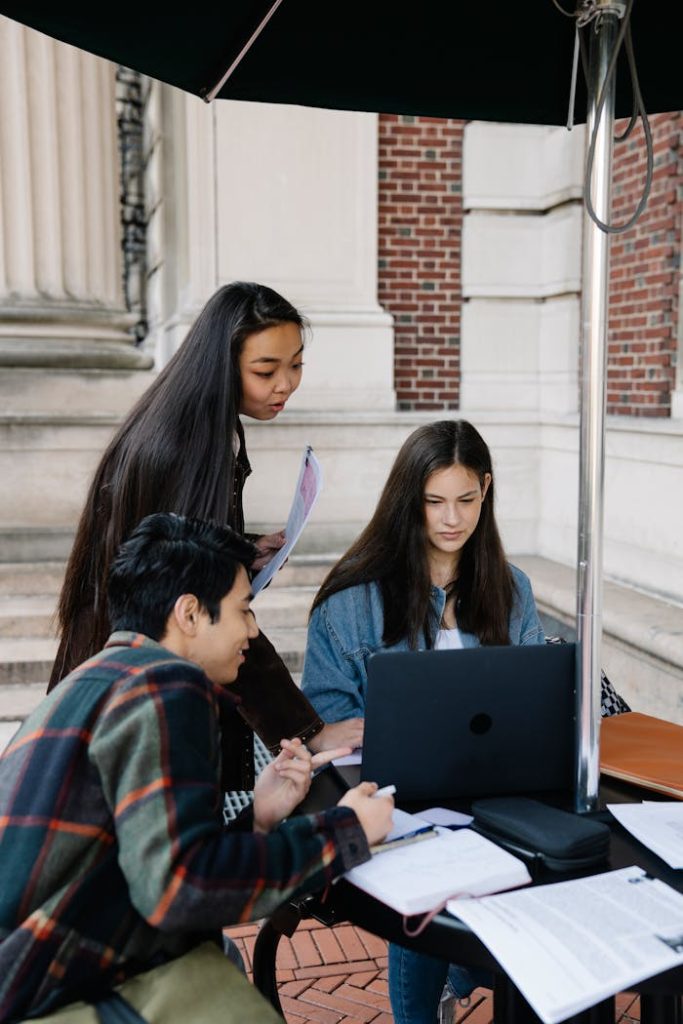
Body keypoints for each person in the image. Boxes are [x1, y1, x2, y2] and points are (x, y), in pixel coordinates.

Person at [0, 513, 394, 1023]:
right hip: (49, 993)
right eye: (243, 610)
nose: (251, 631)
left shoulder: (103, 676)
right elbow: (180, 891)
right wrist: (346, 831)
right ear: (189, 614)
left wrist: (260, 816)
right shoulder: (167, 686)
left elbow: (153, 864)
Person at [47, 281, 362, 787]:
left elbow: (168, 538)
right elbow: (213, 609)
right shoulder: (195, 447)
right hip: (136, 693)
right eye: (266, 370)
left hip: (119, 670)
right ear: (223, 363)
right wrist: (305, 731)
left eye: (296, 365)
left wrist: (240, 547)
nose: (285, 384)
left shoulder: (185, 421)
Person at [300, 418, 546, 1024]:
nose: (451, 519)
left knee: (549, 870)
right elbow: (329, 723)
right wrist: (354, 733)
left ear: (485, 490)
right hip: (397, 805)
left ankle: (475, 969)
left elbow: (538, 699)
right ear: (409, 500)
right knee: (428, 876)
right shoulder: (351, 602)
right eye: (434, 502)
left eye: (465, 500)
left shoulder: (511, 590)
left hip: (497, 795)